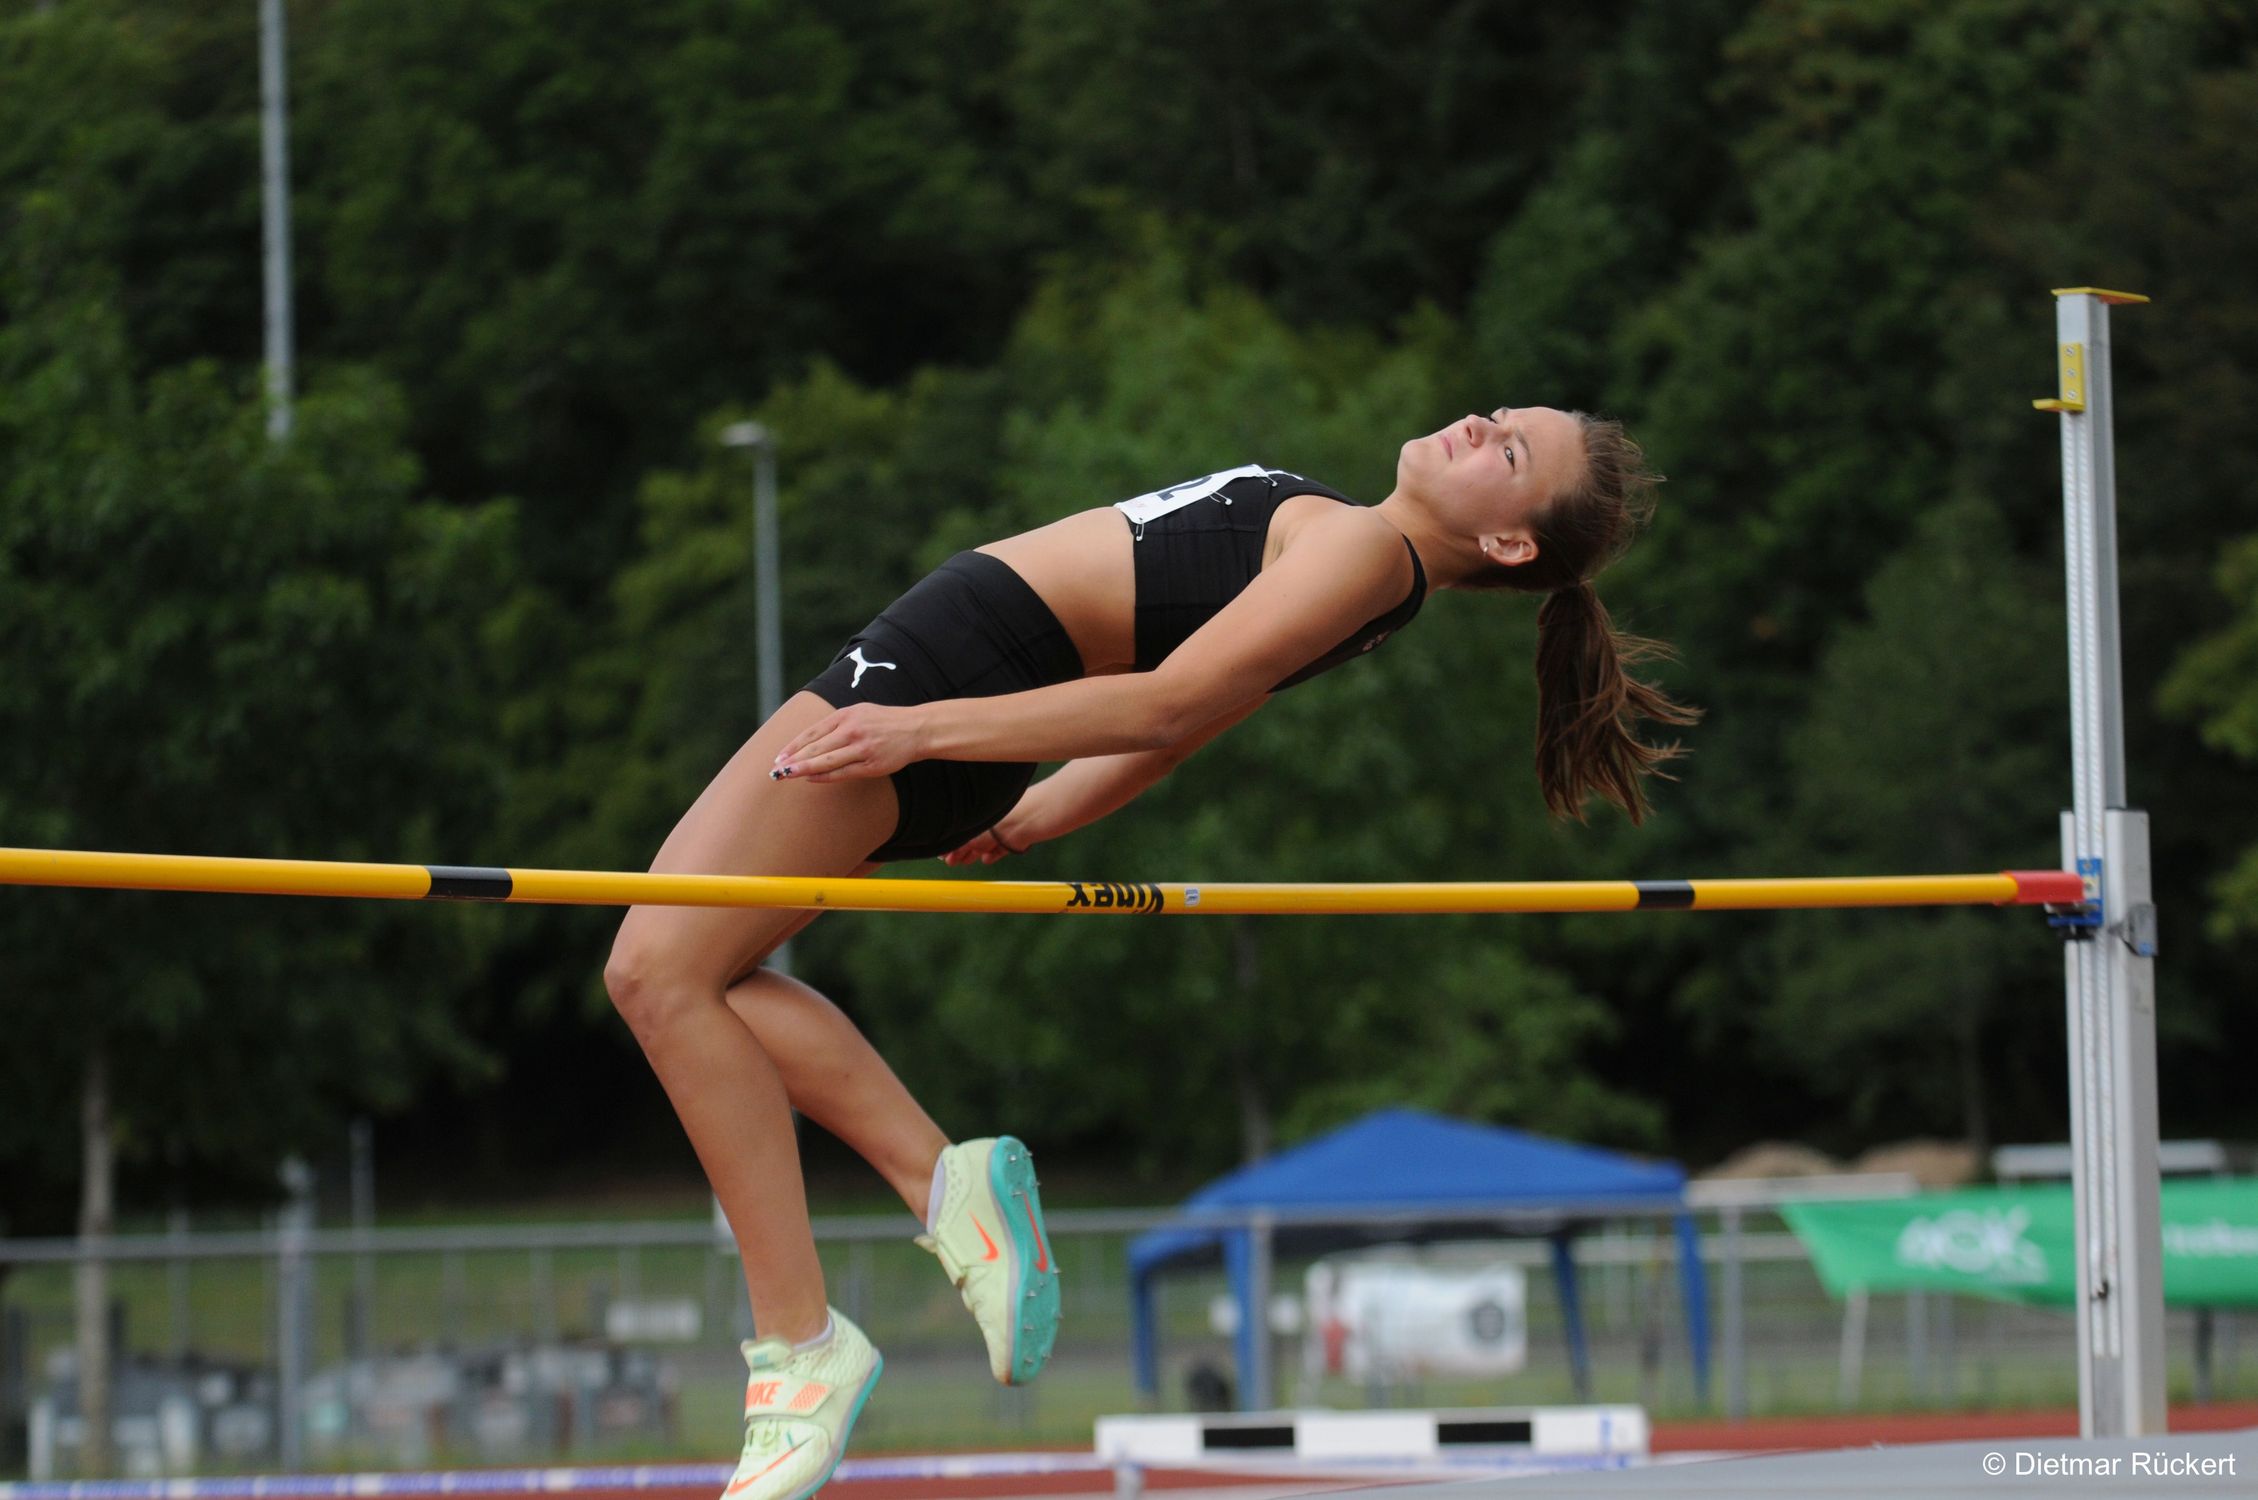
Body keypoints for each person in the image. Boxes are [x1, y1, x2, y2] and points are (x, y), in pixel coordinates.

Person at [601, 407, 1696, 1500]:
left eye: (1506, 451)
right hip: (950, 682)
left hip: (940, 678)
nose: (1473, 424)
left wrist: (923, 727)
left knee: (657, 972)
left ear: (1510, 543)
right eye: (1496, 415)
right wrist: (1030, 815)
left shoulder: (1367, 556)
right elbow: (1184, 725)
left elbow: (1168, 708)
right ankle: (944, 1186)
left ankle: (801, 1344)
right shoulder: (1358, 561)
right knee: (700, 979)